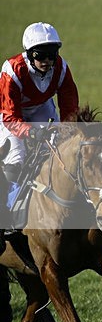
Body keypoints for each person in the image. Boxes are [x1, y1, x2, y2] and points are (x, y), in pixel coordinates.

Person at [0, 22, 80, 209]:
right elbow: (10, 117)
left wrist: (68, 132)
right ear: (29, 54)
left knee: (59, 151)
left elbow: (70, 108)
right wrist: (32, 132)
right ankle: (7, 211)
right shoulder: (12, 70)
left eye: (52, 54)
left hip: (41, 108)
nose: (46, 61)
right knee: (16, 157)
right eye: (40, 55)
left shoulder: (61, 68)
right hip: (8, 115)